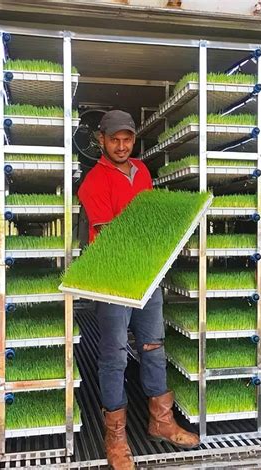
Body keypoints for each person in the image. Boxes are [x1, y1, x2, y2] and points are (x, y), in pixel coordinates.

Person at [78, 110, 200, 470]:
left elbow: (148, 221)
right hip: (114, 277)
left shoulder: (143, 172)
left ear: (134, 139)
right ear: (101, 139)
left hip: (148, 274)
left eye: (127, 139)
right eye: (114, 139)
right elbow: (116, 230)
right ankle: (116, 439)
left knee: (153, 345)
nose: (120, 145)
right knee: (114, 355)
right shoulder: (92, 181)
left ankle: (160, 421)